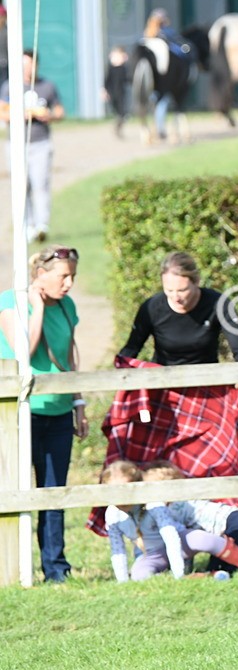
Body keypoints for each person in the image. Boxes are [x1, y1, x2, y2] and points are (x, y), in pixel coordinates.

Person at [0, 245, 87, 581]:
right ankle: (15, 568)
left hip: (59, 412)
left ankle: (56, 569)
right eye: (63, 277)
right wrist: (36, 308)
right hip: (21, 415)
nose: (69, 284)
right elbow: (26, 352)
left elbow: (70, 355)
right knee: (18, 491)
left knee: (54, 492)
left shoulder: (68, 306)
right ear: (41, 275)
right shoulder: (11, 302)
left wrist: (78, 402)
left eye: (73, 277)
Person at [102, 460, 238, 581]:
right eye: (112, 492)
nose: (119, 499)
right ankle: (206, 576)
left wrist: (178, 572)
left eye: (124, 490)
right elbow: (117, 550)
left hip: (180, 541)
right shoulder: (112, 515)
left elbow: (171, 537)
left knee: (205, 539)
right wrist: (122, 581)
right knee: (139, 575)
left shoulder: (154, 504)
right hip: (154, 553)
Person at [142, 461, 238, 574]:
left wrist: (182, 570)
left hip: (236, 528)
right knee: (225, 564)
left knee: (218, 570)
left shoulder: (171, 510)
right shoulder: (185, 501)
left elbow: (181, 543)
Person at [119, 252, 238, 366]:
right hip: (164, 382)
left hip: (207, 380)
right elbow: (131, 350)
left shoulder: (219, 304)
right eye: (169, 290)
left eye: (182, 290)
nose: (175, 297)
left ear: (196, 282)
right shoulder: (151, 308)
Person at [0, 51, 65, 243]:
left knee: (41, 184)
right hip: (16, 144)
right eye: (24, 65)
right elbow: (2, 112)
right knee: (22, 185)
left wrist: (49, 115)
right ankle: (26, 225)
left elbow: (60, 112)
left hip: (41, 143)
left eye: (30, 64)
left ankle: (41, 225)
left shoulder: (47, 86)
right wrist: (21, 114)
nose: (27, 69)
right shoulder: (9, 86)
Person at [102, 46, 129, 138]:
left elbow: (127, 79)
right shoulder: (111, 68)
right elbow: (106, 81)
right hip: (113, 93)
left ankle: (118, 128)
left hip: (121, 93)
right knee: (118, 113)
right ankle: (117, 128)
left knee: (123, 114)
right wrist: (104, 92)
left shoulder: (123, 68)